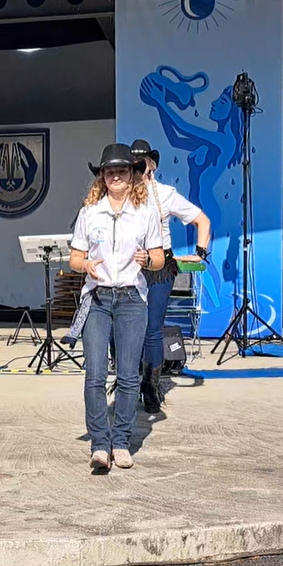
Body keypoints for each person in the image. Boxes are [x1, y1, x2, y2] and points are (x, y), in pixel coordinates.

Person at [68, 143, 166, 472]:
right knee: (95, 374)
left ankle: (121, 441)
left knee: (127, 375)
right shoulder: (89, 212)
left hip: (131, 299)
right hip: (97, 298)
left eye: (121, 171)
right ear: (102, 176)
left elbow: (159, 258)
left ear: (132, 174)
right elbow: (75, 258)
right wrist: (86, 266)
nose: (116, 177)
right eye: (109, 172)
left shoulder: (145, 212)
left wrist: (147, 259)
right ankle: (99, 443)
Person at [130, 139, 211, 414]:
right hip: (128, 265)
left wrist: (200, 252)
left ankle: (150, 386)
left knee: (153, 327)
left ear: (151, 165)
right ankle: (128, 381)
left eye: (142, 163)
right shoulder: (121, 193)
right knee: (123, 327)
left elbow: (202, 219)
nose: (138, 168)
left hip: (159, 264)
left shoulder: (165, 194)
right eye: (133, 163)